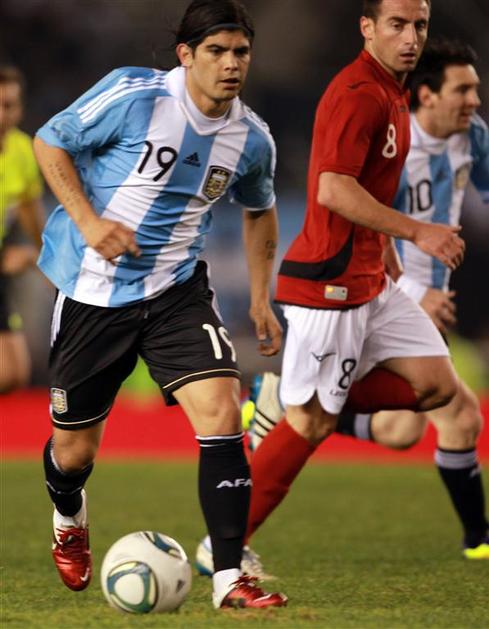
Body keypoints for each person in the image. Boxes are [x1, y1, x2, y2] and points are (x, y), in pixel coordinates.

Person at [195, 0, 469, 576]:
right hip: (332, 284)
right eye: (397, 25)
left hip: (372, 278)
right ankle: (224, 549)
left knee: (437, 386)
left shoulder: (394, 91)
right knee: (312, 424)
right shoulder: (358, 93)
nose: (411, 37)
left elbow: (370, 184)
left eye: (419, 25)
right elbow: (332, 190)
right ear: (367, 28)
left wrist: (386, 246)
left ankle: (293, 397)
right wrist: (417, 231)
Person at [33, 0, 287, 610]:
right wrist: (90, 223)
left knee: (222, 414)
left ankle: (229, 579)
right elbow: (49, 142)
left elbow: (260, 209)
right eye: (217, 52)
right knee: (73, 453)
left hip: (177, 292)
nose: (231, 64)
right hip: (94, 292)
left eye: (241, 52)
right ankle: (68, 517)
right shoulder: (135, 95)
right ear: (186, 55)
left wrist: (260, 298)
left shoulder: (251, 139)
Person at [0, 65, 44, 393]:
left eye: (8, 105)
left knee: (15, 373)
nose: (1, 114)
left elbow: (30, 209)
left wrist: (45, 257)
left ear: (20, 109)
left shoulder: (22, 149)